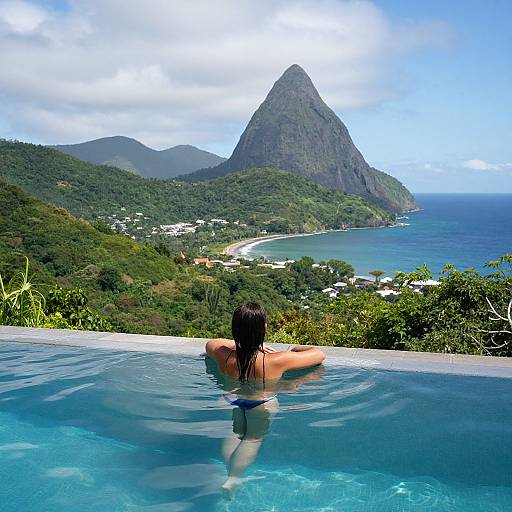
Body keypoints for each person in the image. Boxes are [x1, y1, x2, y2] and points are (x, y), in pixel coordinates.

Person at [205, 302, 325, 494]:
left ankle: (228, 471)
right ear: (264, 329)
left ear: (235, 330)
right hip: (261, 404)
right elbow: (319, 354)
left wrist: (241, 343)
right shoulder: (275, 360)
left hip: (232, 400)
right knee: (252, 438)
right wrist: (293, 348)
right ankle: (234, 478)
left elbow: (211, 343)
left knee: (236, 434)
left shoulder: (225, 356)